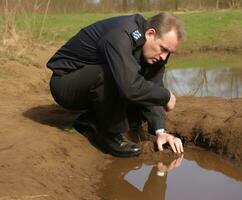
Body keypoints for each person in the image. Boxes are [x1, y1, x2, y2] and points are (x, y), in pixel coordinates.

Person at [47, 12, 185, 157]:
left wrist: (160, 131)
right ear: (150, 34)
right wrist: (166, 96)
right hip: (66, 84)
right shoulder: (121, 35)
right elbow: (130, 87)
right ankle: (109, 135)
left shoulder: (153, 53)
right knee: (114, 75)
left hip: (94, 85)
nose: (164, 57)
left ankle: (90, 120)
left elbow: (153, 86)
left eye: (169, 52)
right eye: (162, 48)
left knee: (142, 98)